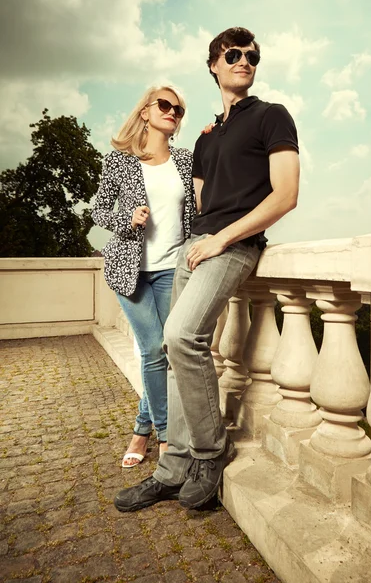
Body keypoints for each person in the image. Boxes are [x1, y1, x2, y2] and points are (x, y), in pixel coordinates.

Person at [114, 26, 300, 509]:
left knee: (181, 337)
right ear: (214, 64)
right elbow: (199, 201)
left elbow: (286, 195)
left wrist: (222, 239)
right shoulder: (207, 137)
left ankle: (208, 453)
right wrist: (197, 238)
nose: (245, 60)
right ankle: (171, 468)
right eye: (234, 53)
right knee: (175, 359)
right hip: (195, 246)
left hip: (233, 247)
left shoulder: (272, 116)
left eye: (252, 55)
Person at [92, 85, 196, 468]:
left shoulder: (185, 160)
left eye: (179, 110)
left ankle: (141, 428)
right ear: (146, 112)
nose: (173, 112)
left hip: (172, 269)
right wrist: (126, 218)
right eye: (165, 105)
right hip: (129, 270)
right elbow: (98, 211)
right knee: (152, 349)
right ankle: (166, 439)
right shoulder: (119, 161)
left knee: (168, 351)